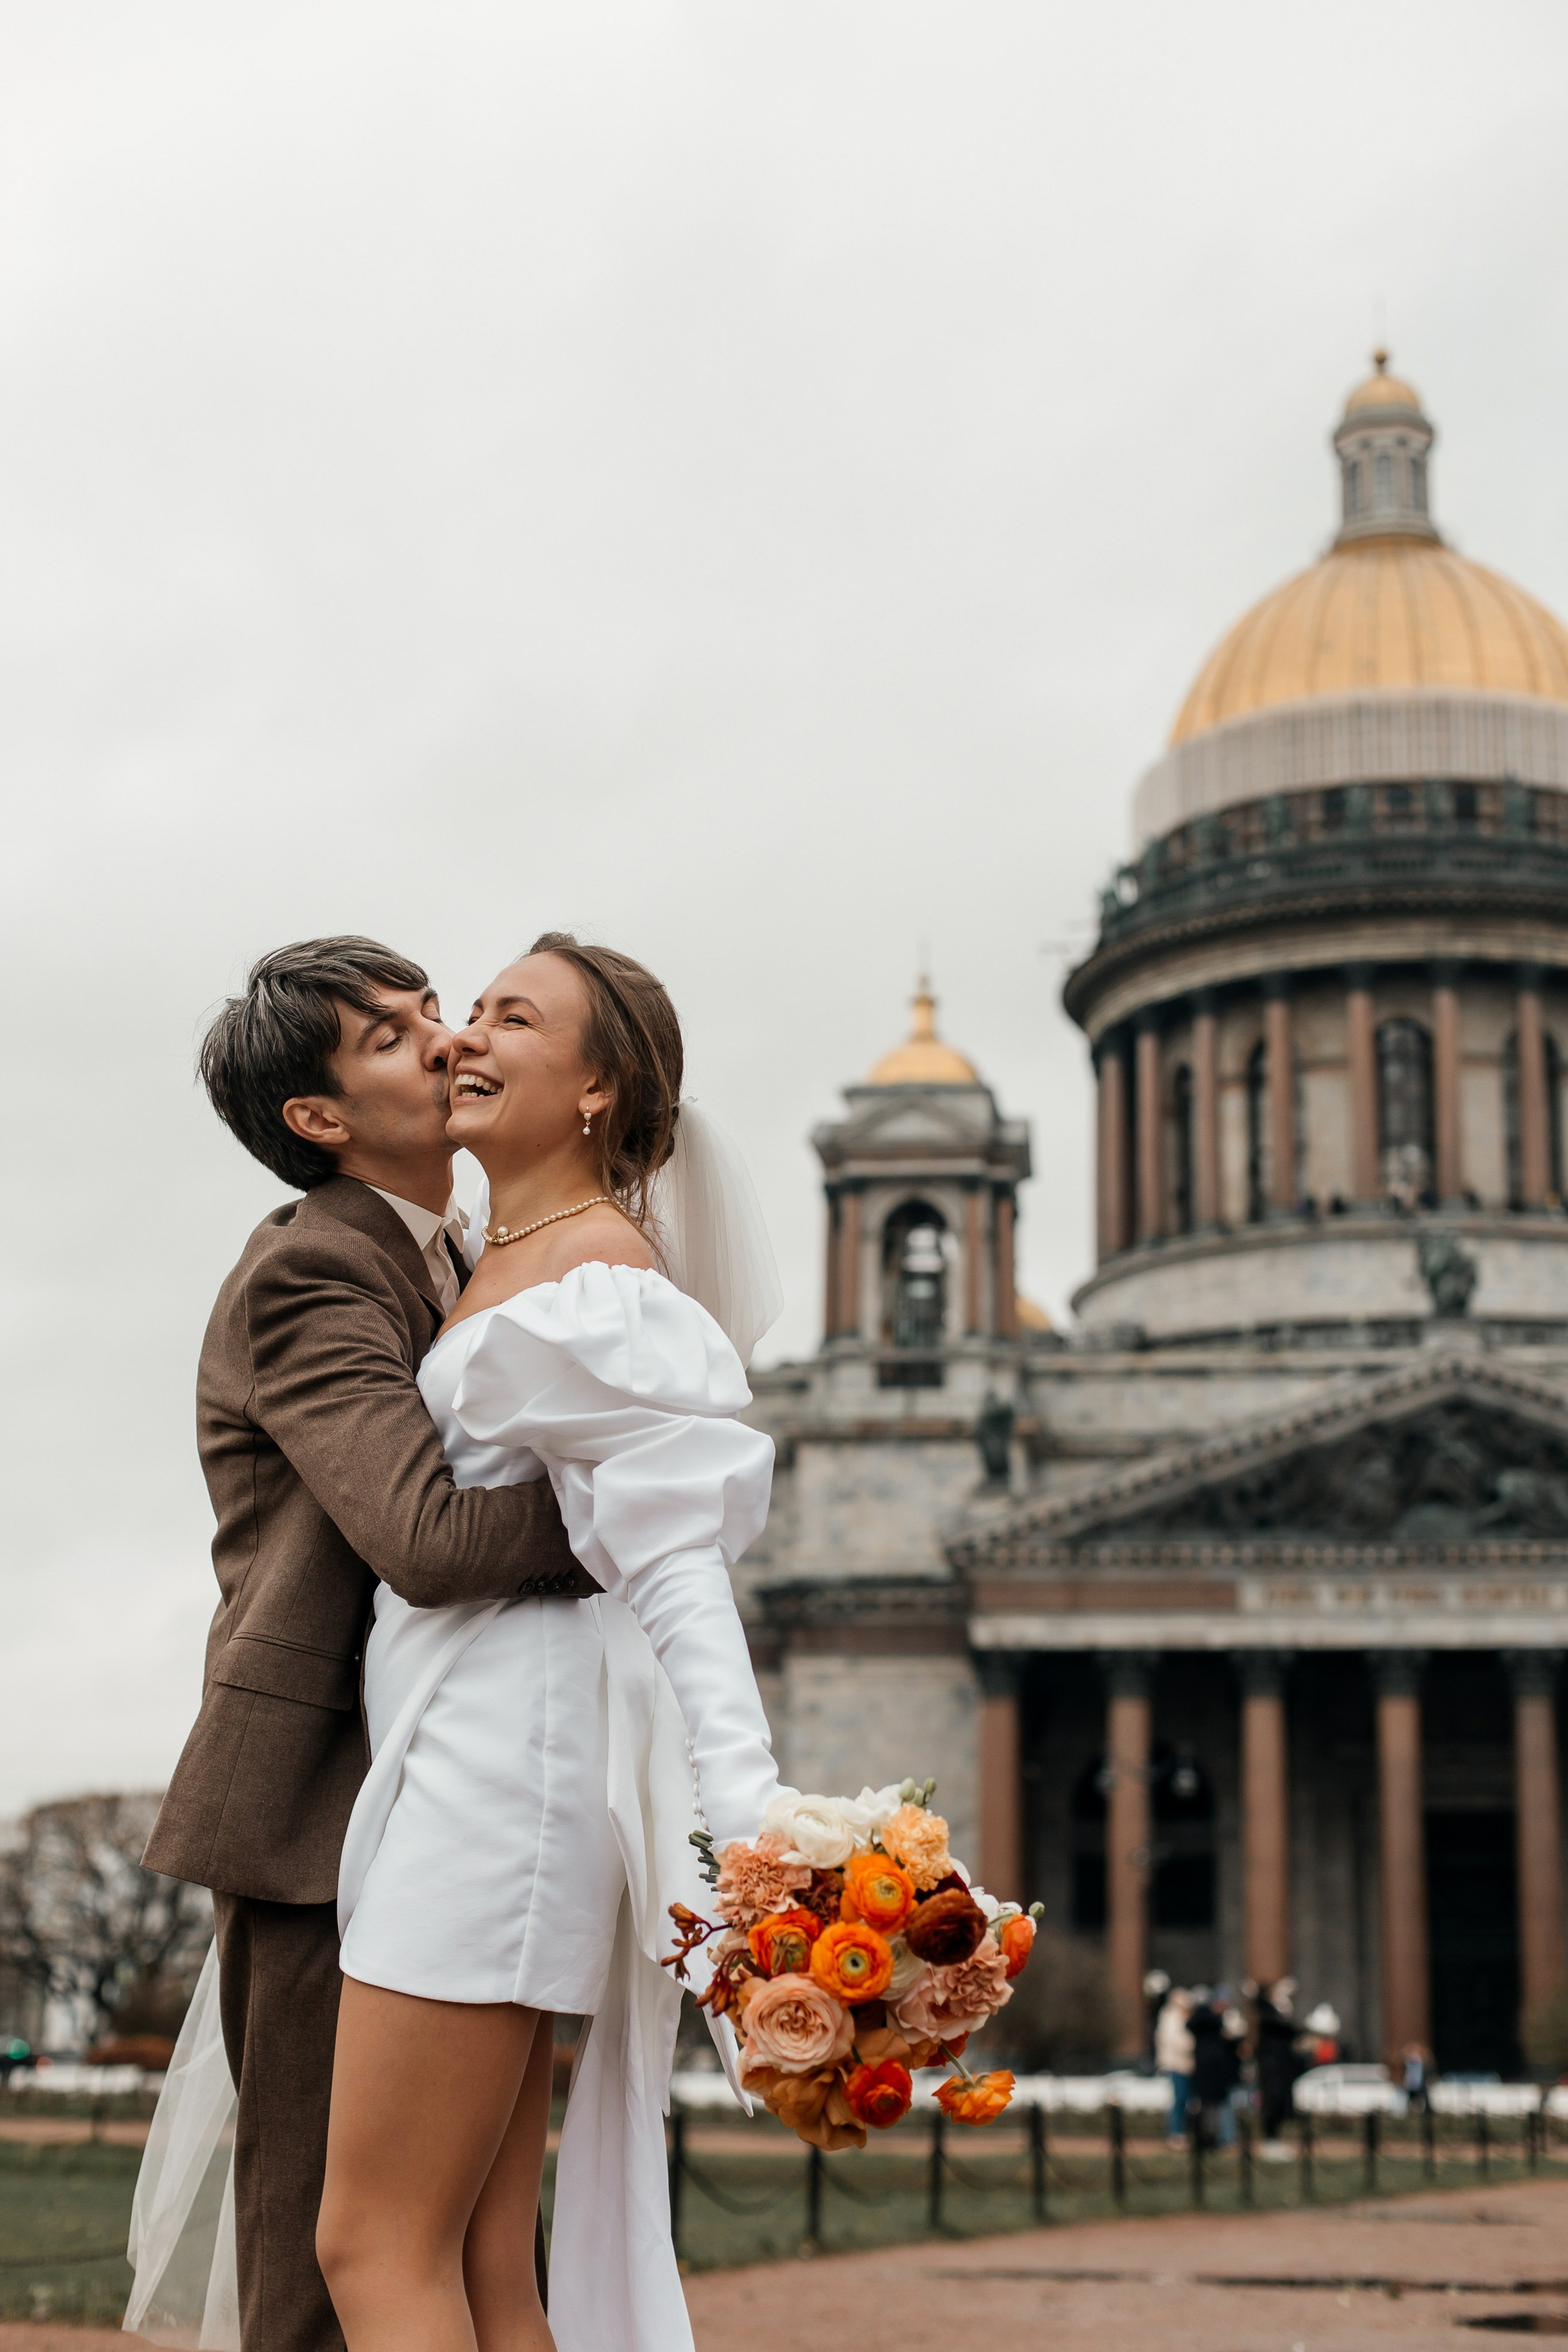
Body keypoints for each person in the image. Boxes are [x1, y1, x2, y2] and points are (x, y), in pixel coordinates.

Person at [317, 935, 788, 2352]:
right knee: (474, 2258)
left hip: (501, 1765)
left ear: (595, 1086)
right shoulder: (501, 1255)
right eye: (464, 1011)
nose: (461, 1036)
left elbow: (674, 1568)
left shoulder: (600, 1278)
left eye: (509, 1017)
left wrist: (754, 1820)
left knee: (370, 2241)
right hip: (477, 1741)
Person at [129, 938, 593, 2352]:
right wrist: (633, 1506)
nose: (448, 1038)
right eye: (392, 1037)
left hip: (446, 1791)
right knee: (326, 2271)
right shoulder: (314, 1270)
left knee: (471, 2252)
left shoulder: (456, 1251)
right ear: (318, 1122)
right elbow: (430, 1536)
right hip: (321, 1811)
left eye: (435, 1008)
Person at [1253, 1975, 1299, 2158]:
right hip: (1271, 2069)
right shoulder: (1268, 2018)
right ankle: (1270, 2140)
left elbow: (1290, 2031)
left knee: (1279, 2104)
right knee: (1271, 2103)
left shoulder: (1280, 2026)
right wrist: (1266, 1992)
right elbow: (1262, 2006)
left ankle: (1275, 2139)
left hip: (1280, 2069)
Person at [1155, 1986, 1194, 2145]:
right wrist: (1191, 2046)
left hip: (1187, 2064)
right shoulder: (1171, 2017)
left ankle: (1183, 2131)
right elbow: (1175, 2040)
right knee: (1179, 2099)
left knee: (1187, 2101)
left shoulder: (1183, 2017)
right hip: (1176, 2064)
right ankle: (1175, 2132)